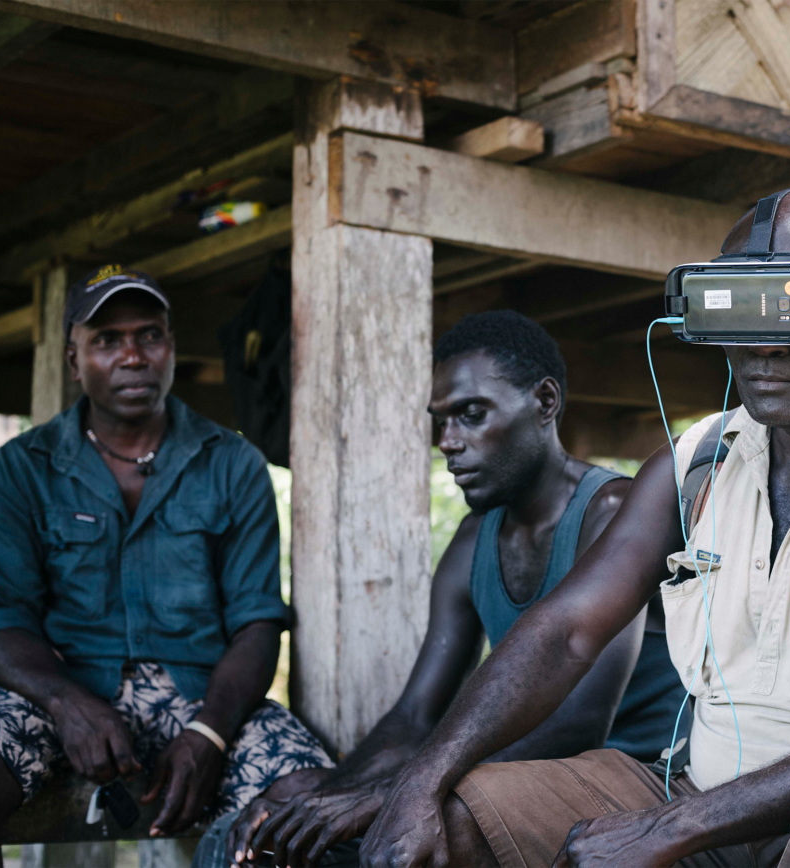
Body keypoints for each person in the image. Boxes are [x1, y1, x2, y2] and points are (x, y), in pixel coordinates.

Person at [352, 190, 790, 868]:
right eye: (734, 310)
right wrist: (420, 779)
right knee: (450, 817)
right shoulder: (694, 465)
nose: (760, 346)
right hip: (710, 800)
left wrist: (671, 828)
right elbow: (565, 632)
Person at [204, 311, 687, 868]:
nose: (448, 442)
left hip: (634, 787)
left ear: (545, 402)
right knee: (275, 829)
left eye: (471, 415)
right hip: (525, 781)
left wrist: (396, 791)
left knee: (405, 838)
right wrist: (332, 789)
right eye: (440, 423)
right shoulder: (473, 540)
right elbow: (415, 716)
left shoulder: (611, 511)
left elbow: (578, 723)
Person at [0, 266, 332, 868]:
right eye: (106, 340)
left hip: (204, 699)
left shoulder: (232, 463)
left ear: (171, 349)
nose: (132, 355)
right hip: (59, 693)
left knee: (309, 805)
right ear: (75, 361)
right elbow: (1, 623)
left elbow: (258, 623)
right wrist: (66, 701)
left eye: (149, 335)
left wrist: (208, 733)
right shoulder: (22, 468)